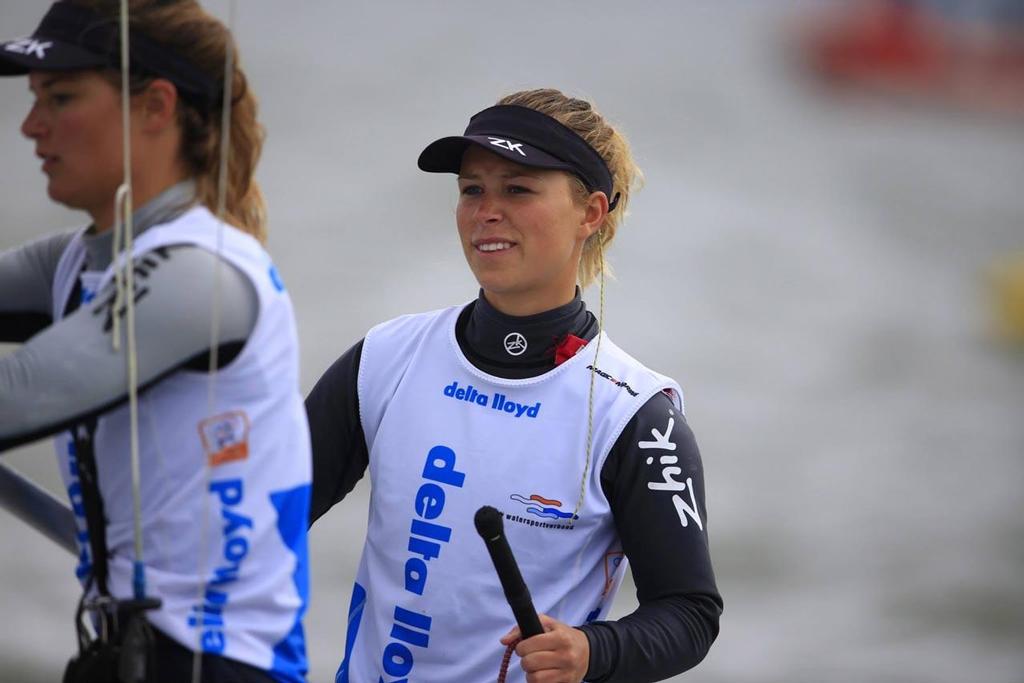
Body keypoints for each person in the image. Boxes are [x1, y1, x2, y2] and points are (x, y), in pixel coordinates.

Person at [306, 89, 722, 682]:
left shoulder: (635, 416)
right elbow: (263, 518)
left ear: (591, 213)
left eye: (517, 189)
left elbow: (689, 613)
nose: (486, 210)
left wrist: (591, 650)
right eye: (472, 189)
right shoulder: (386, 358)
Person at [0, 2, 310, 682]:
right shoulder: (80, 261)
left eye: (61, 97)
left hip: (218, 666)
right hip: (125, 650)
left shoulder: (203, 272)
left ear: (156, 106)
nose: (31, 126)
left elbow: (15, 399)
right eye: (33, 101)